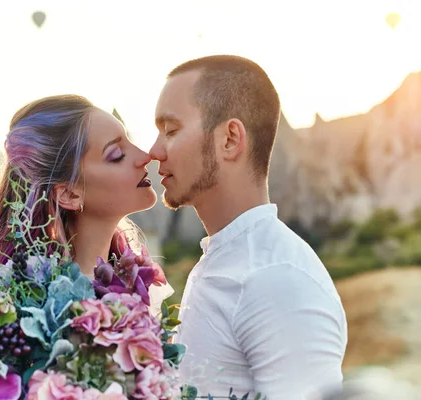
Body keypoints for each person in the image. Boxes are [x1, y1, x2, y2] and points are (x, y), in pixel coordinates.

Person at [149, 55, 348, 399]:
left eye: (171, 130)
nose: (154, 151)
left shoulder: (276, 278)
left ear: (229, 139)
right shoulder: (228, 257)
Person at [0, 94, 170, 305]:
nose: (145, 156)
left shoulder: (140, 287)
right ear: (69, 194)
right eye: (116, 155)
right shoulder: (15, 303)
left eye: (130, 142)